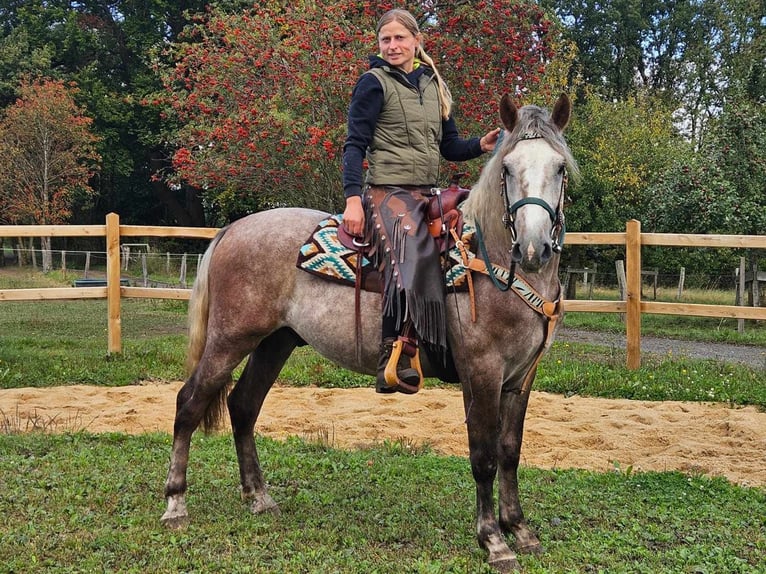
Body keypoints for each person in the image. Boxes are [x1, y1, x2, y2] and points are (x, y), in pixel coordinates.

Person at [341, 8, 500, 394]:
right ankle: (393, 354)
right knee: (410, 256)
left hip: (427, 191)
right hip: (388, 192)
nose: (392, 46)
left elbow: (448, 147)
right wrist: (352, 200)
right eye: (386, 39)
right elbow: (354, 145)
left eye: (399, 38)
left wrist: (480, 145)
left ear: (417, 41)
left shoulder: (435, 85)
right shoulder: (373, 83)